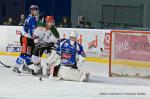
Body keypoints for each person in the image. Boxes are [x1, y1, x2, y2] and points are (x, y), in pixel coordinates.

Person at [13, 5, 39, 73]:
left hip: (29, 39)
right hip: (25, 38)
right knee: (24, 53)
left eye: (36, 10)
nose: (36, 11)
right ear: (32, 11)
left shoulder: (32, 17)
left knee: (29, 54)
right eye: (35, 10)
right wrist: (36, 39)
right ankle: (16, 67)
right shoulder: (32, 18)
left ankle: (25, 66)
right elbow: (31, 31)